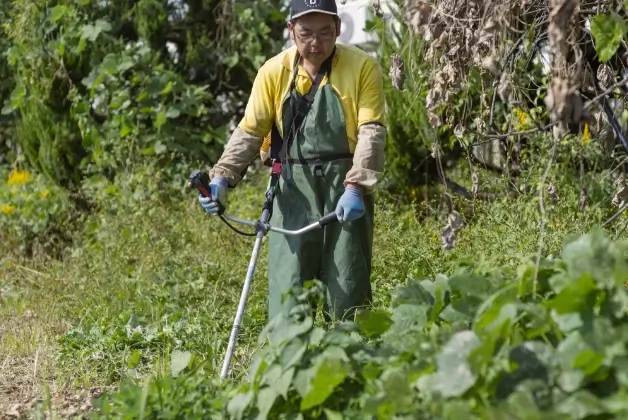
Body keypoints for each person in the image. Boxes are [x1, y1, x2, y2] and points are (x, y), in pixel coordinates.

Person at [199, 0, 387, 323]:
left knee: (348, 294)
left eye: (326, 33)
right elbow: (250, 131)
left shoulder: (362, 68)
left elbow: (372, 132)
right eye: (306, 34)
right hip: (292, 192)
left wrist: (357, 186)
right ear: (291, 31)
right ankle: (290, 369)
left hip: (344, 187)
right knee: (289, 296)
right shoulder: (273, 73)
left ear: (339, 28)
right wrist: (221, 178)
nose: (316, 44)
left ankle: (350, 367)